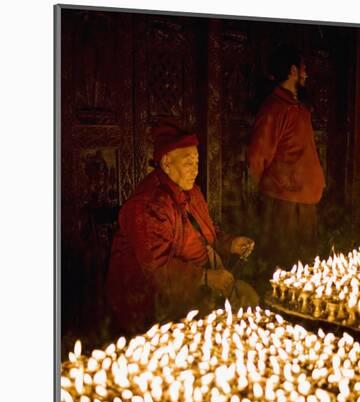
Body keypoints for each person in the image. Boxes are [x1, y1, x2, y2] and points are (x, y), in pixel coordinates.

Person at [106, 124, 258, 334]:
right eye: (188, 163)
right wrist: (206, 278)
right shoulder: (148, 205)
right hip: (156, 301)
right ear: (167, 163)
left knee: (250, 302)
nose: (196, 169)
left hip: (198, 285)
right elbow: (158, 270)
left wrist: (230, 243)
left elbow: (205, 232)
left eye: (196, 161)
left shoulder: (191, 191)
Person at [247, 44, 325, 274]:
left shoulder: (298, 107)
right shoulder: (274, 108)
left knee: (305, 267)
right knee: (285, 266)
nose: (306, 74)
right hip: (285, 204)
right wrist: (271, 190)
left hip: (306, 203)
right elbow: (257, 156)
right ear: (292, 71)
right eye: (303, 69)